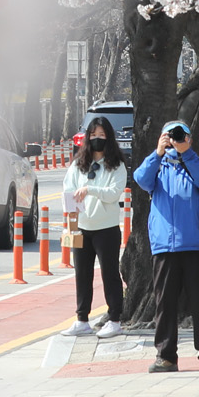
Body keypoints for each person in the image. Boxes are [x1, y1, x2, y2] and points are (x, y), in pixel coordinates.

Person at [134, 119, 199, 372]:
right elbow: (140, 179)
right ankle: (166, 356)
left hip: (195, 244)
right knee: (165, 303)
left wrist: (186, 154)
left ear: (190, 140)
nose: (176, 139)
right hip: (164, 247)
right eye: (169, 135)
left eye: (181, 136)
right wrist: (157, 153)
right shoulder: (157, 168)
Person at [61, 116, 128, 339]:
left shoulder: (116, 166)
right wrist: (71, 223)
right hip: (81, 227)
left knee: (109, 274)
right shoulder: (78, 165)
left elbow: (113, 194)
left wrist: (90, 189)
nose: (97, 139)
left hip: (106, 228)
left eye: (101, 135)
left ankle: (115, 319)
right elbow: (69, 192)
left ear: (109, 138)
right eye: (93, 135)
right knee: (82, 274)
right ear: (87, 138)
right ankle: (82, 320)